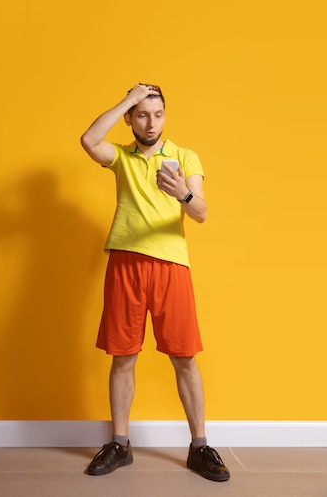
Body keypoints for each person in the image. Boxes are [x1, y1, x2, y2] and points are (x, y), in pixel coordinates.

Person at [80, 83, 230, 482]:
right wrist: (127, 99)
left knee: (184, 356)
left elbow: (201, 213)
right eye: (142, 114)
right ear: (131, 118)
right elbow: (89, 139)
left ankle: (200, 446)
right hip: (125, 263)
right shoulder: (122, 158)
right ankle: (119, 443)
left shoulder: (184, 156)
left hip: (171, 267)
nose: (151, 122)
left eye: (158, 114)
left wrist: (183, 194)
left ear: (166, 116)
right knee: (123, 355)